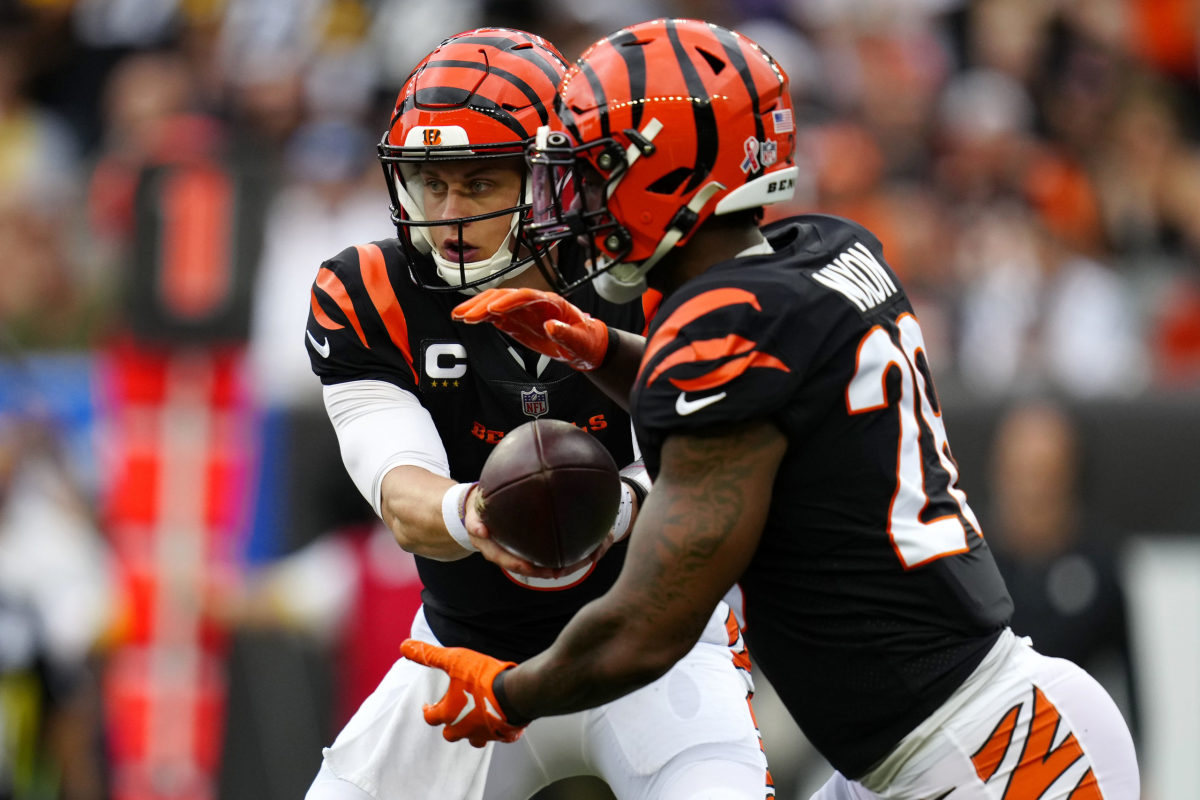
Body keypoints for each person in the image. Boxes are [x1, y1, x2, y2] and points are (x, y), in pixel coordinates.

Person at [402, 18, 1143, 800]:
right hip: (939, 746)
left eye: (597, 169)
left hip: (998, 758)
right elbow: (763, 409)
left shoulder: (726, 328)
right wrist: (603, 349)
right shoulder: (824, 250)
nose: (574, 197)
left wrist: (507, 692)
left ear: (674, 171)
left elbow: (647, 628)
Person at [302, 27, 773, 800]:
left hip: (652, 651)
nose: (449, 213)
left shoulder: (651, 272)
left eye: (480, 182)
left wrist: (612, 505)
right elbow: (400, 491)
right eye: (430, 182)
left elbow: (711, 477)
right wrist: (477, 514)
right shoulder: (370, 294)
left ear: (554, 175)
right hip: (466, 657)